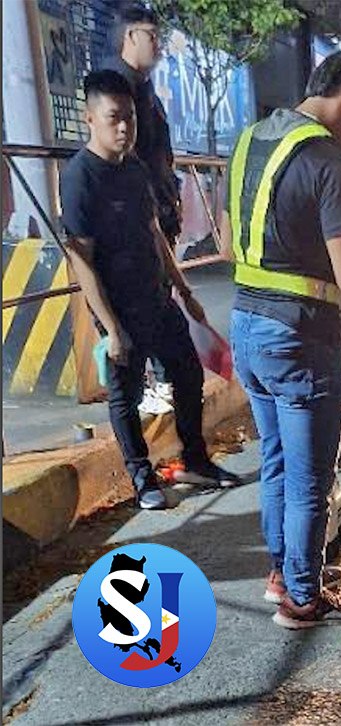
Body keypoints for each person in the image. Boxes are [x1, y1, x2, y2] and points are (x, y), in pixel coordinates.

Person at [223, 51, 341, 628]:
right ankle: (302, 596)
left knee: (275, 462)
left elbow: (227, 242)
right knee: (310, 480)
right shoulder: (329, 163)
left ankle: (282, 573)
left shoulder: (249, 142)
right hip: (300, 336)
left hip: (247, 324)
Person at [60, 70, 241, 511]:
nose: (125, 127)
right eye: (114, 118)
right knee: (126, 396)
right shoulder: (81, 177)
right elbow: (81, 259)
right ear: (90, 118)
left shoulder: (135, 168)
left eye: (130, 117)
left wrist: (184, 290)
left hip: (158, 298)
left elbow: (154, 232)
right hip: (119, 306)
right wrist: (111, 328)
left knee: (188, 374)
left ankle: (195, 461)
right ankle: (143, 480)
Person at [104, 4, 183, 414]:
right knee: (142, 301)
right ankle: (148, 385)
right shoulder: (116, 87)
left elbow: (158, 154)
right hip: (136, 221)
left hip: (156, 213)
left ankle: (162, 381)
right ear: (129, 37)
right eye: (151, 36)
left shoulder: (144, 88)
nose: (158, 45)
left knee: (160, 296)